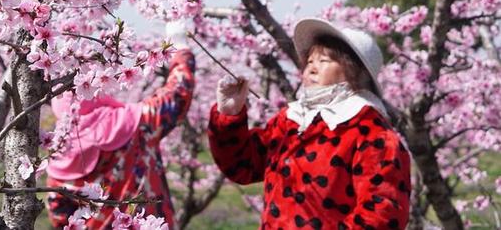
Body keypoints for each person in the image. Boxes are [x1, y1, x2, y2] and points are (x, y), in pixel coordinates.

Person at [208, 18, 411, 229]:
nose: (312, 69)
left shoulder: (370, 132)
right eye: (310, 62)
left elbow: (383, 213)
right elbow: (243, 165)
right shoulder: (292, 120)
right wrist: (229, 114)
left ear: (356, 72)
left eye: (324, 61)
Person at [45, 22, 195, 229]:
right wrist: (180, 49)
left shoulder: (57, 155)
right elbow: (176, 97)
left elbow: (60, 218)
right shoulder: (134, 124)